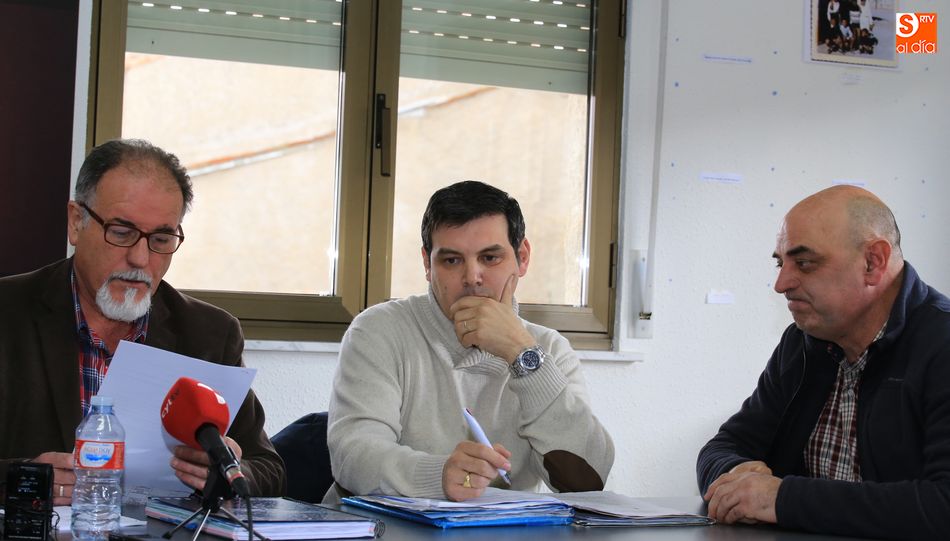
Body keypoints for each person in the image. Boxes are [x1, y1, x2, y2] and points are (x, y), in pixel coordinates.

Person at [0, 139, 285, 504]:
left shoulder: (210, 334)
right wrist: (20, 480)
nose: (140, 258)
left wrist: (226, 471)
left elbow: (269, 470)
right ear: (75, 222)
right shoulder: (8, 313)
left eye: (161, 239)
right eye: (121, 233)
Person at [324, 180, 614, 503]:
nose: (472, 277)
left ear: (522, 257)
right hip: (380, 527)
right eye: (451, 260)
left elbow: (588, 481)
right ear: (427, 264)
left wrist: (522, 354)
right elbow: (352, 457)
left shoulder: (549, 351)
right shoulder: (378, 330)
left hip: (504, 529)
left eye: (490, 258)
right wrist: (438, 476)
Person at [697, 185, 950, 540]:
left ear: (873, 262)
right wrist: (739, 476)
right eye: (780, 263)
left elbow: (942, 506)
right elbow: (723, 447)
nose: (781, 284)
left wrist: (781, 498)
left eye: (804, 263)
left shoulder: (940, 344)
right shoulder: (802, 344)